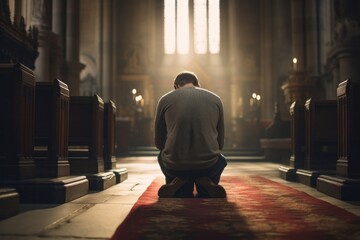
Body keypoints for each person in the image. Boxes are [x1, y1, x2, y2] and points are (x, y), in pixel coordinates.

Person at [154, 71, 227, 198]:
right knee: (220, 159)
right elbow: (221, 143)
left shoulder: (165, 99)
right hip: (208, 165)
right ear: (197, 84)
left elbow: (158, 143)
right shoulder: (216, 99)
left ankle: (180, 182)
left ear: (176, 86)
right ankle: (204, 181)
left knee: (161, 156)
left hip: (176, 165)